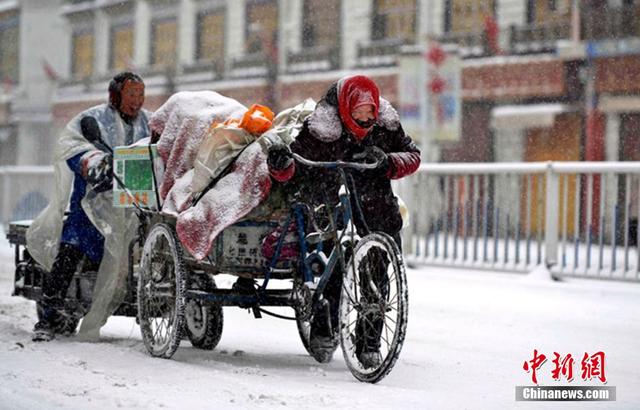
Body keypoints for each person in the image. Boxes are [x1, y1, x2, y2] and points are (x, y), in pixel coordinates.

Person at [267, 75, 420, 365]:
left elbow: (412, 156)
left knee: (377, 273)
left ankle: (370, 342)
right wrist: (281, 165)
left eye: (369, 113)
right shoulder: (321, 127)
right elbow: (294, 167)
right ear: (344, 109)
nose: (365, 120)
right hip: (327, 197)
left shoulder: (387, 125)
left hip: (374, 201)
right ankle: (324, 324)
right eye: (358, 113)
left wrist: (387, 162)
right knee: (332, 259)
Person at [27, 72, 150, 342]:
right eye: (131, 94)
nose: (137, 101)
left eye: (141, 95)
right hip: (91, 210)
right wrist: (92, 162)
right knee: (69, 251)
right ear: (116, 95)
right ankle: (48, 316)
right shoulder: (93, 119)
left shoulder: (148, 123)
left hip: (134, 210)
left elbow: (159, 149)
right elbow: (72, 146)